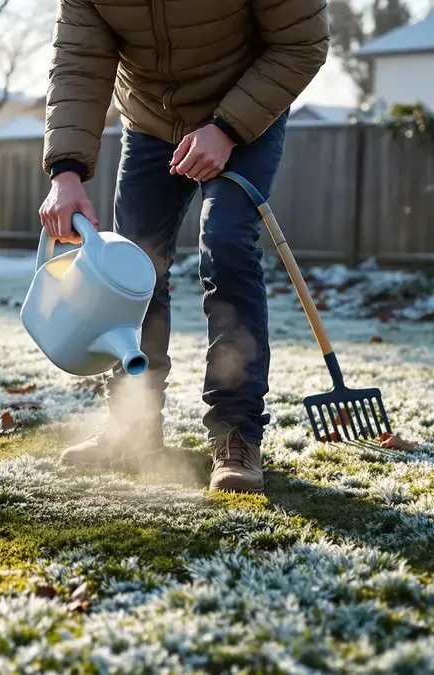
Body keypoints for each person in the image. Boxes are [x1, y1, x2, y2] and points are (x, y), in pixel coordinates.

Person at [39, 0, 328, 493]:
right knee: (131, 267)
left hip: (244, 111)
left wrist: (227, 129)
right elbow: (78, 63)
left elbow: (301, 43)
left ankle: (237, 433)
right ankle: (133, 425)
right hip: (151, 120)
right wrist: (66, 171)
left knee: (227, 246)